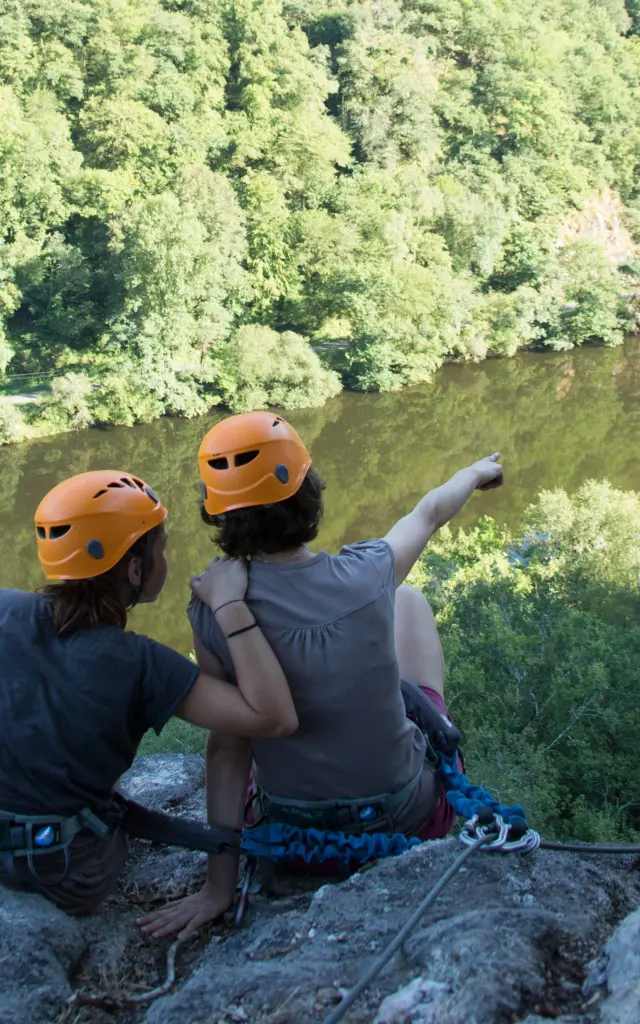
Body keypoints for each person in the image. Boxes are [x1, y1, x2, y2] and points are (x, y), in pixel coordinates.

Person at [142, 412, 504, 939]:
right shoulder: (368, 571)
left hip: (296, 836)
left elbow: (228, 750)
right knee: (408, 600)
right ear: (309, 493)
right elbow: (427, 514)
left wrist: (217, 887)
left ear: (218, 515)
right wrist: (473, 473)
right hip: (408, 816)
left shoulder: (211, 610)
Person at [0, 469, 298, 918]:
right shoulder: (139, 662)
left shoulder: (6, 607)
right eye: (161, 548)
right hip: (65, 875)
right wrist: (228, 606)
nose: (166, 558)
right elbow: (272, 717)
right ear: (135, 569)